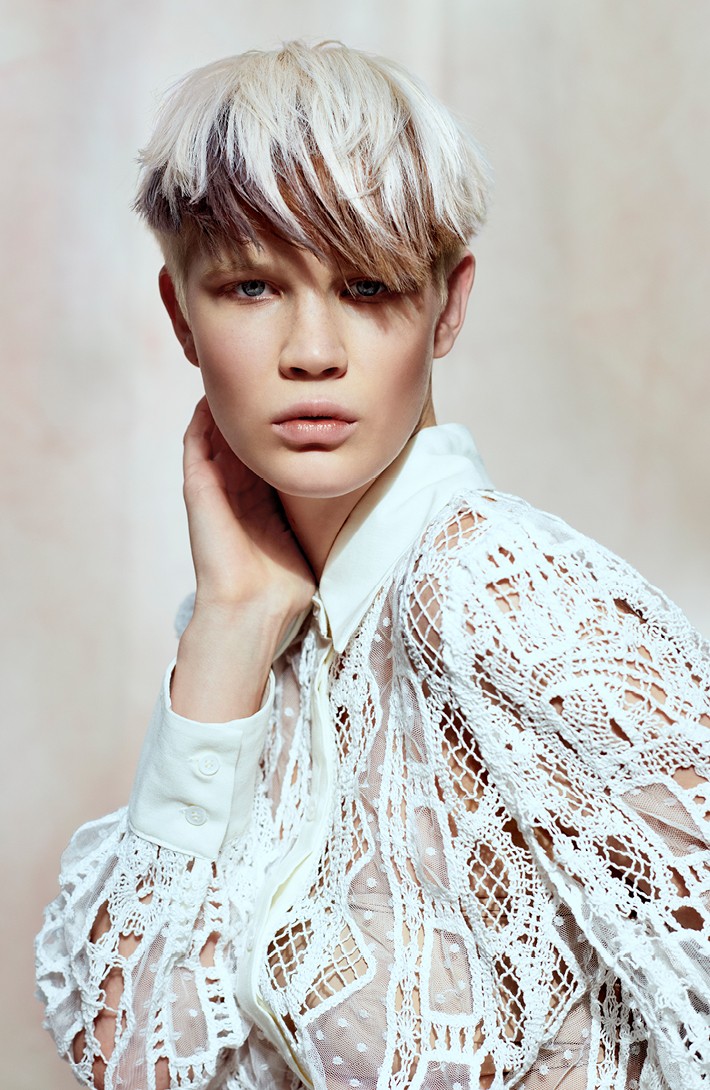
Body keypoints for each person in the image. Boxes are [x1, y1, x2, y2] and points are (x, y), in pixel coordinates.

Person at [36, 40, 709, 1090]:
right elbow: (131, 1063)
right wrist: (227, 629)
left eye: (365, 284)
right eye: (251, 286)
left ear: (448, 304)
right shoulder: (263, 638)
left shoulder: (492, 593)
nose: (312, 350)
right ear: (180, 315)